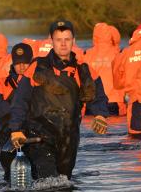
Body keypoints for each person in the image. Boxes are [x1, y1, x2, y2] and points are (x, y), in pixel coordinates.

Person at [9, 20, 109, 180]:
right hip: (39, 137)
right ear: (52, 41)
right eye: (59, 40)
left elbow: (98, 96)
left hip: (69, 138)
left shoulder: (83, 69)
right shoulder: (36, 67)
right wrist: (16, 129)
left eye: (67, 39)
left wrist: (101, 115)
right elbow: (20, 100)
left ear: (73, 41)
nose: (63, 44)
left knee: (64, 185)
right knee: (49, 182)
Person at [0, 43, 34, 181]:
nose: (22, 67)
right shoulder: (0, 84)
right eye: (18, 63)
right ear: (13, 63)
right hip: (9, 139)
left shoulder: (38, 83)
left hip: (35, 138)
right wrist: (15, 103)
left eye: (26, 62)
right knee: (9, 172)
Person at [84, 23, 125, 116]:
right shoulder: (119, 53)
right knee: (115, 127)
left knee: (93, 128)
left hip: (92, 102)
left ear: (94, 36)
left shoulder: (86, 54)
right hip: (114, 101)